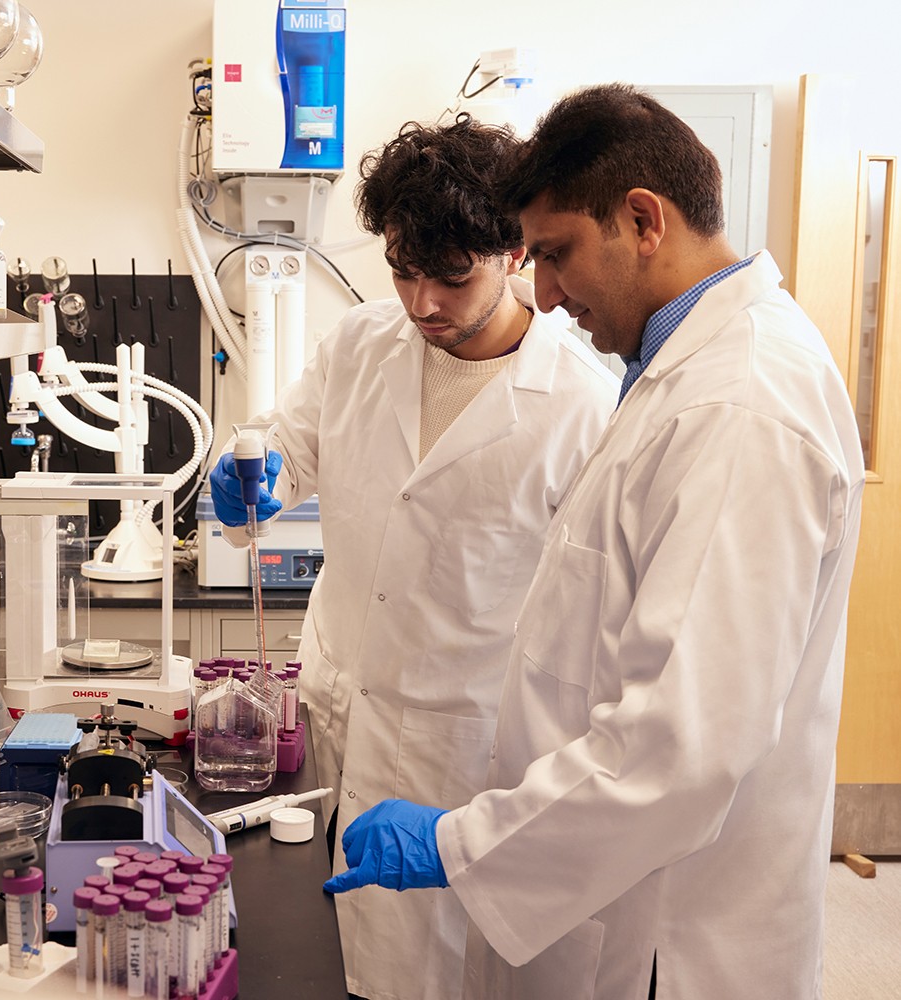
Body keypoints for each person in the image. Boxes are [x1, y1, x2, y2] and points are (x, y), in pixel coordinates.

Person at [323, 83, 866, 1000]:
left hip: (673, 933)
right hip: (605, 883)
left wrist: (459, 843)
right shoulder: (675, 374)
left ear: (644, 220)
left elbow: (679, 750)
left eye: (557, 253)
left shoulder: (741, 407)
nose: (543, 292)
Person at [208, 116, 619, 1000]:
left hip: (462, 752)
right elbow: (289, 443)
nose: (422, 302)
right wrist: (256, 471)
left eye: (452, 275)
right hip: (334, 709)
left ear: (513, 253)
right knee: (314, 953)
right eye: (402, 270)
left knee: (431, 976)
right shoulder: (359, 345)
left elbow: (593, 627)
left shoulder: (584, 407)